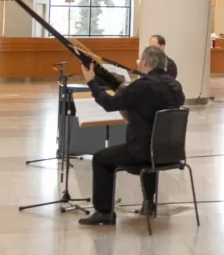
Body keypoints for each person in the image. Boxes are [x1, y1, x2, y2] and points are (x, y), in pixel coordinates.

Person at [76, 45, 185, 226]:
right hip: (169, 152)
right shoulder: (175, 86)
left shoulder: (142, 87)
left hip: (142, 153)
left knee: (101, 159)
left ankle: (104, 212)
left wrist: (91, 82)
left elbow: (110, 104)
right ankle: (149, 202)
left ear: (144, 62)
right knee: (153, 143)